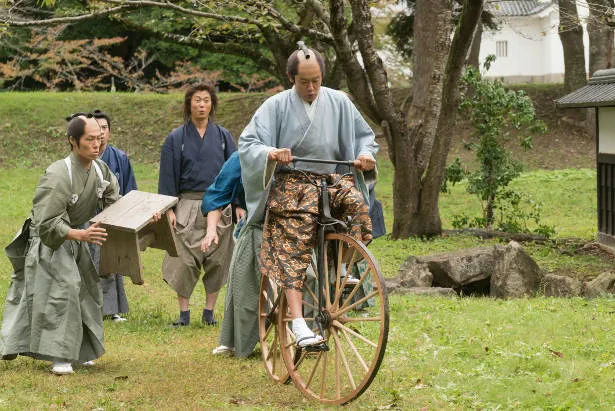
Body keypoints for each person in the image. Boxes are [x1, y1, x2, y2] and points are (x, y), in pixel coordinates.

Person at [238, 44, 378, 348]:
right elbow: (248, 143)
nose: (312, 88)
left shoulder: (340, 101)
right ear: (291, 78)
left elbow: (367, 138)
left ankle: (343, 269)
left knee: (357, 206)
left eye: (316, 80)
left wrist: (365, 155)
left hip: (331, 178)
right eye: (304, 82)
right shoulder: (274, 106)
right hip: (293, 184)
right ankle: (299, 322)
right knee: (295, 239)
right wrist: (271, 153)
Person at [0, 114, 121, 375]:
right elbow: (46, 223)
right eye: (90, 139)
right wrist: (80, 235)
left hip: (78, 239)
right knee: (62, 293)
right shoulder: (58, 173)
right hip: (50, 244)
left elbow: (115, 203)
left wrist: (144, 215)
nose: (97, 144)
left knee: (86, 292)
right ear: (73, 141)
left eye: (99, 139)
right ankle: (59, 356)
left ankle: (80, 351)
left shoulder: (100, 169)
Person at [158, 83, 236, 327]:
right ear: (189, 104)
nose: (202, 105)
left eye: (206, 100)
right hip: (187, 204)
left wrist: (238, 203)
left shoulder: (223, 137)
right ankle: (184, 313)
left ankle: (209, 311)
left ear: (212, 104)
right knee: (184, 259)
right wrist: (169, 208)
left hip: (219, 204)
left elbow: (235, 172)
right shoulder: (176, 138)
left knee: (218, 258)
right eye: (197, 100)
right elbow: (167, 176)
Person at [90, 109, 138, 322]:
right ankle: (89, 308)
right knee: (88, 263)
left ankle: (111, 310)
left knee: (111, 264)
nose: (100, 133)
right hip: (87, 218)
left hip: (113, 216)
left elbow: (130, 190)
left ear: (109, 131)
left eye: (104, 128)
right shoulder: (84, 155)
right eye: (96, 128)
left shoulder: (119, 157)